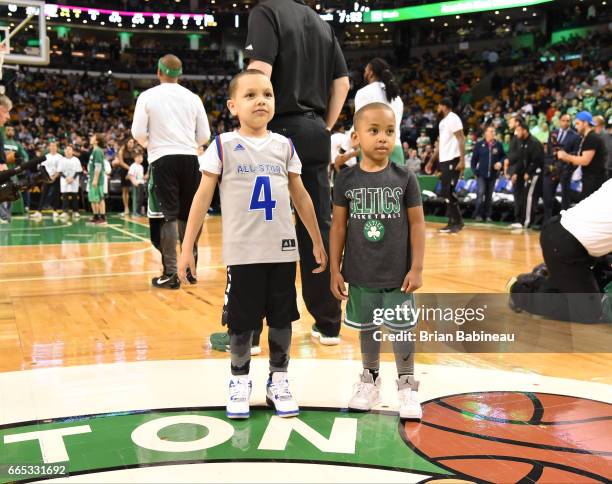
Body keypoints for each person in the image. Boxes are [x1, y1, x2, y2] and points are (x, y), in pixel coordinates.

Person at [177, 70, 327, 419]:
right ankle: (239, 380)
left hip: (282, 251)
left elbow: (301, 197)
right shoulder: (223, 145)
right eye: (250, 95)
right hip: (243, 254)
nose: (261, 100)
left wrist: (316, 241)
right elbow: (201, 198)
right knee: (242, 323)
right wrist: (187, 248)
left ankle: (279, 381)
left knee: (282, 320)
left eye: (267, 94)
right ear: (233, 105)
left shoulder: (284, 146)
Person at [245, 0, 349, 344]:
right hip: (315, 130)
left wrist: (250, 127)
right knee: (317, 227)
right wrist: (324, 126)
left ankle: (252, 328)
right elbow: (343, 84)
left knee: (262, 228)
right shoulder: (322, 24)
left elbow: (260, 71)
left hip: (275, 133)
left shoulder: (266, 12)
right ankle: (329, 322)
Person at [330, 103, 425, 419]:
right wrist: (335, 269)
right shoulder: (345, 180)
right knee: (367, 328)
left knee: (401, 330)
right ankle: (369, 379)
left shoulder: (405, 177)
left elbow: (417, 224)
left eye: (389, 131)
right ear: (356, 137)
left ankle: (407, 385)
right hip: (360, 271)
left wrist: (417, 266)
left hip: (398, 273)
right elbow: (339, 227)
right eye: (374, 131)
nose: (383, 138)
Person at [131, 54, 211, 289]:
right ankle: (190, 270)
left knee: (166, 215)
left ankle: (170, 274)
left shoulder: (147, 96)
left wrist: (150, 145)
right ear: (180, 74)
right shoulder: (193, 97)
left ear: (159, 71)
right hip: (190, 159)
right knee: (190, 215)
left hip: (162, 158)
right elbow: (204, 136)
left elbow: (137, 131)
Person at [540, 179, 612, 322]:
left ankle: (555, 276)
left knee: (602, 281)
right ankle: (524, 289)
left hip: (579, 246)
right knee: (589, 314)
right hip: (564, 245)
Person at [340, 58, 404, 167]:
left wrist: (344, 148)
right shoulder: (396, 97)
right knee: (397, 184)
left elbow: (358, 123)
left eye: (365, 71)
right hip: (395, 147)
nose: (364, 73)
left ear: (370, 73)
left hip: (373, 148)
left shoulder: (364, 92)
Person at [425, 98, 465, 234]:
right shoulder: (442, 122)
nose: (437, 108)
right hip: (444, 160)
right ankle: (452, 221)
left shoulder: (454, 118)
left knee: (449, 191)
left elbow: (461, 138)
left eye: (439, 105)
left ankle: (457, 222)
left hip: (453, 159)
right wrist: (431, 161)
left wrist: (462, 160)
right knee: (445, 192)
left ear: (444, 106)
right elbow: (441, 143)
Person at [557, 111, 606, 199]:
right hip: (590, 179)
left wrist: (566, 156)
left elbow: (585, 160)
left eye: (578, 123)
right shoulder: (587, 137)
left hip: (594, 181)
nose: (575, 126)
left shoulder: (592, 138)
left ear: (585, 123)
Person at [542, 113, 581, 223]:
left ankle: (564, 224)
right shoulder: (553, 133)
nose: (565, 123)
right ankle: (547, 223)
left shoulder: (575, 136)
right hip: (550, 169)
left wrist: (568, 168)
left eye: (568, 121)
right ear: (559, 121)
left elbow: (575, 154)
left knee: (565, 199)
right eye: (563, 120)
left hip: (565, 170)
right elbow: (549, 151)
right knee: (548, 197)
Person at [512, 118, 544, 228]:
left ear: (525, 130)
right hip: (528, 173)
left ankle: (527, 222)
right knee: (524, 196)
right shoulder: (522, 142)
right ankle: (521, 220)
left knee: (530, 197)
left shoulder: (534, 143)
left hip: (537, 174)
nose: (517, 133)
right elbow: (521, 160)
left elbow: (537, 161)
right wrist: (516, 173)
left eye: (519, 130)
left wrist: (528, 172)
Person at [471, 126, 505, 222]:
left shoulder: (498, 145)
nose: (493, 133)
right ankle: (478, 214)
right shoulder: (479, 144)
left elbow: (503, 156)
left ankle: (487, 215)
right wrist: (475, 171)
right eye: (491, 131)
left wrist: (500, 163)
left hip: (493, 175)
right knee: (480, 193)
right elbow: (474, 160)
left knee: (489, 196)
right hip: (481, 174)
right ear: (486, 133)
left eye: (494, 131)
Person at [0, 125, 29, 223]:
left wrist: (21, 164)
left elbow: (25, 156)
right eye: (8, 129)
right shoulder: (2, 141)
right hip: (2, 170)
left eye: (12, 129)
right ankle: (3, 215)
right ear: (5, 131)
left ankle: (7, 215)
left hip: (12, 172)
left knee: (11, 193)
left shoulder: (17, 144)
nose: (10, 131)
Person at [30, 141, 62, 221]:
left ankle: (55, 211)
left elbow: (60, 169)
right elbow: (41, 167)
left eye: (54, 146)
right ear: (49, 147)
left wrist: (54, 177)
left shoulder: (60, 157)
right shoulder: (46, 156)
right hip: (46, 178)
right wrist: (45, 176)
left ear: (56, 147)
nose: (53, 147)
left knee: (56, 195)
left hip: (56, 178)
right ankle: (38, 212)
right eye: (51, 146)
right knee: (43, 195)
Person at [503, 114, 525, 229]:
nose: (509, 124)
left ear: (517, 123)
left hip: (519, 170)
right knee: (517, 194)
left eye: (511, 122)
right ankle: (518, 219)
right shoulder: (515, 136)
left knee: (520, 195)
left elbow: (519, 155)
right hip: (514, 169)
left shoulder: (520, 137)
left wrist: (515, 171)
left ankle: (520, 220)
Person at [113, 138, 137, 217]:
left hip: (133, 172)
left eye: (132, 142)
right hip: (124, 171)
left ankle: (134, 208)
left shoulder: (134, 151)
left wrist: (133, 169)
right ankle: (126, 208)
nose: (131, 144)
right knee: (125, 190)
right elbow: (121, 162)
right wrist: (130, 168)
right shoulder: (122, 150)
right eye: (130, 142)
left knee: (133, 190)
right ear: (126, 142)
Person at [57, 145, 82, 220]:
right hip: (65, 180)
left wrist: (72, 178)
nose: (68, 151)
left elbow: (78, 171)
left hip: (74, 180)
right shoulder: (62, 160)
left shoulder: (76, 160)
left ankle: (75, 211)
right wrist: (66, 178)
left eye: (69, 150)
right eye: (66, 150)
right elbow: (60, 171)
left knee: (74, 196)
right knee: (65, 196)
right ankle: (65, 211)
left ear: (72, 151)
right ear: (64, 151)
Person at [87, 134, 107, 224]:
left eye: (93, 137)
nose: (91, 138)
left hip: (97, 180)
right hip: (92, 178)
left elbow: (98, 166)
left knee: (99, 198)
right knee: (93, 198)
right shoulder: (94, 151)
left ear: (97, 141)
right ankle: (95, 216)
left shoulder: (98, 151)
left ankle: (102, 217)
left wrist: (95, 179)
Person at [127, 151, 145, 216]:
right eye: (138, 157)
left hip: (141, 183)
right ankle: (135, 212)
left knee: (141, 198)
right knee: (136, 198)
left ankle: (139, 211)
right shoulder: (133, 166)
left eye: (141, 157)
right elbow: (130, 175)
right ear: (135, 158)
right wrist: (134, 182)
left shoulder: (141, 166)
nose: (140, 159)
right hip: (136, 184)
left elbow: (141, 176)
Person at [592, 115, 611, 180]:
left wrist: (605, 171)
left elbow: (609, 154)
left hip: (605, 173)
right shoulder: (596, 135)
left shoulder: (606, 136)